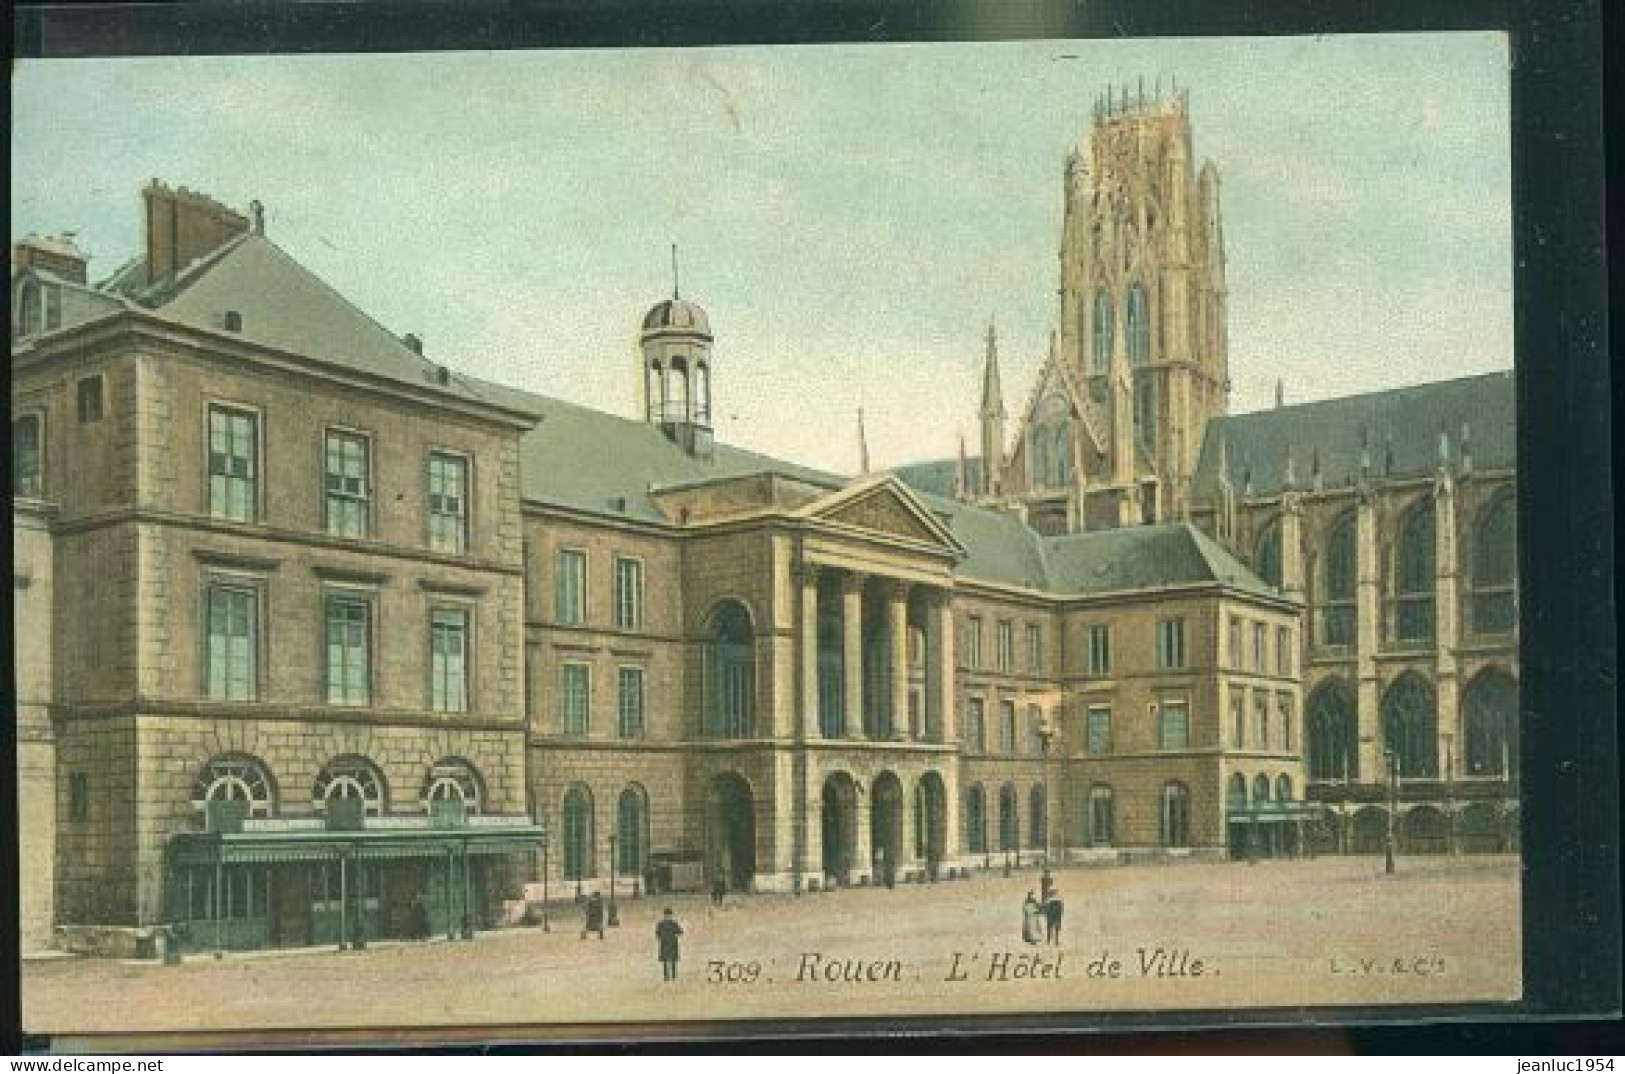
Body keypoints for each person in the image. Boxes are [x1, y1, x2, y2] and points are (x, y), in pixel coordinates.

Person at [655, 908, 684, 981]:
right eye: (666, 915)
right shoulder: (661, 924)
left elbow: (680, 932)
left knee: (673, 960)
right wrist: (661, 938)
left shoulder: (673, 924)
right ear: (664, 916)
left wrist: (676, 935)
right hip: (665, 943)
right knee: (665, 960)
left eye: (669, 915)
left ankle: (673, 975)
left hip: (672, 943)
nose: (668, 917)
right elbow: (657, 933)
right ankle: (666, 976)